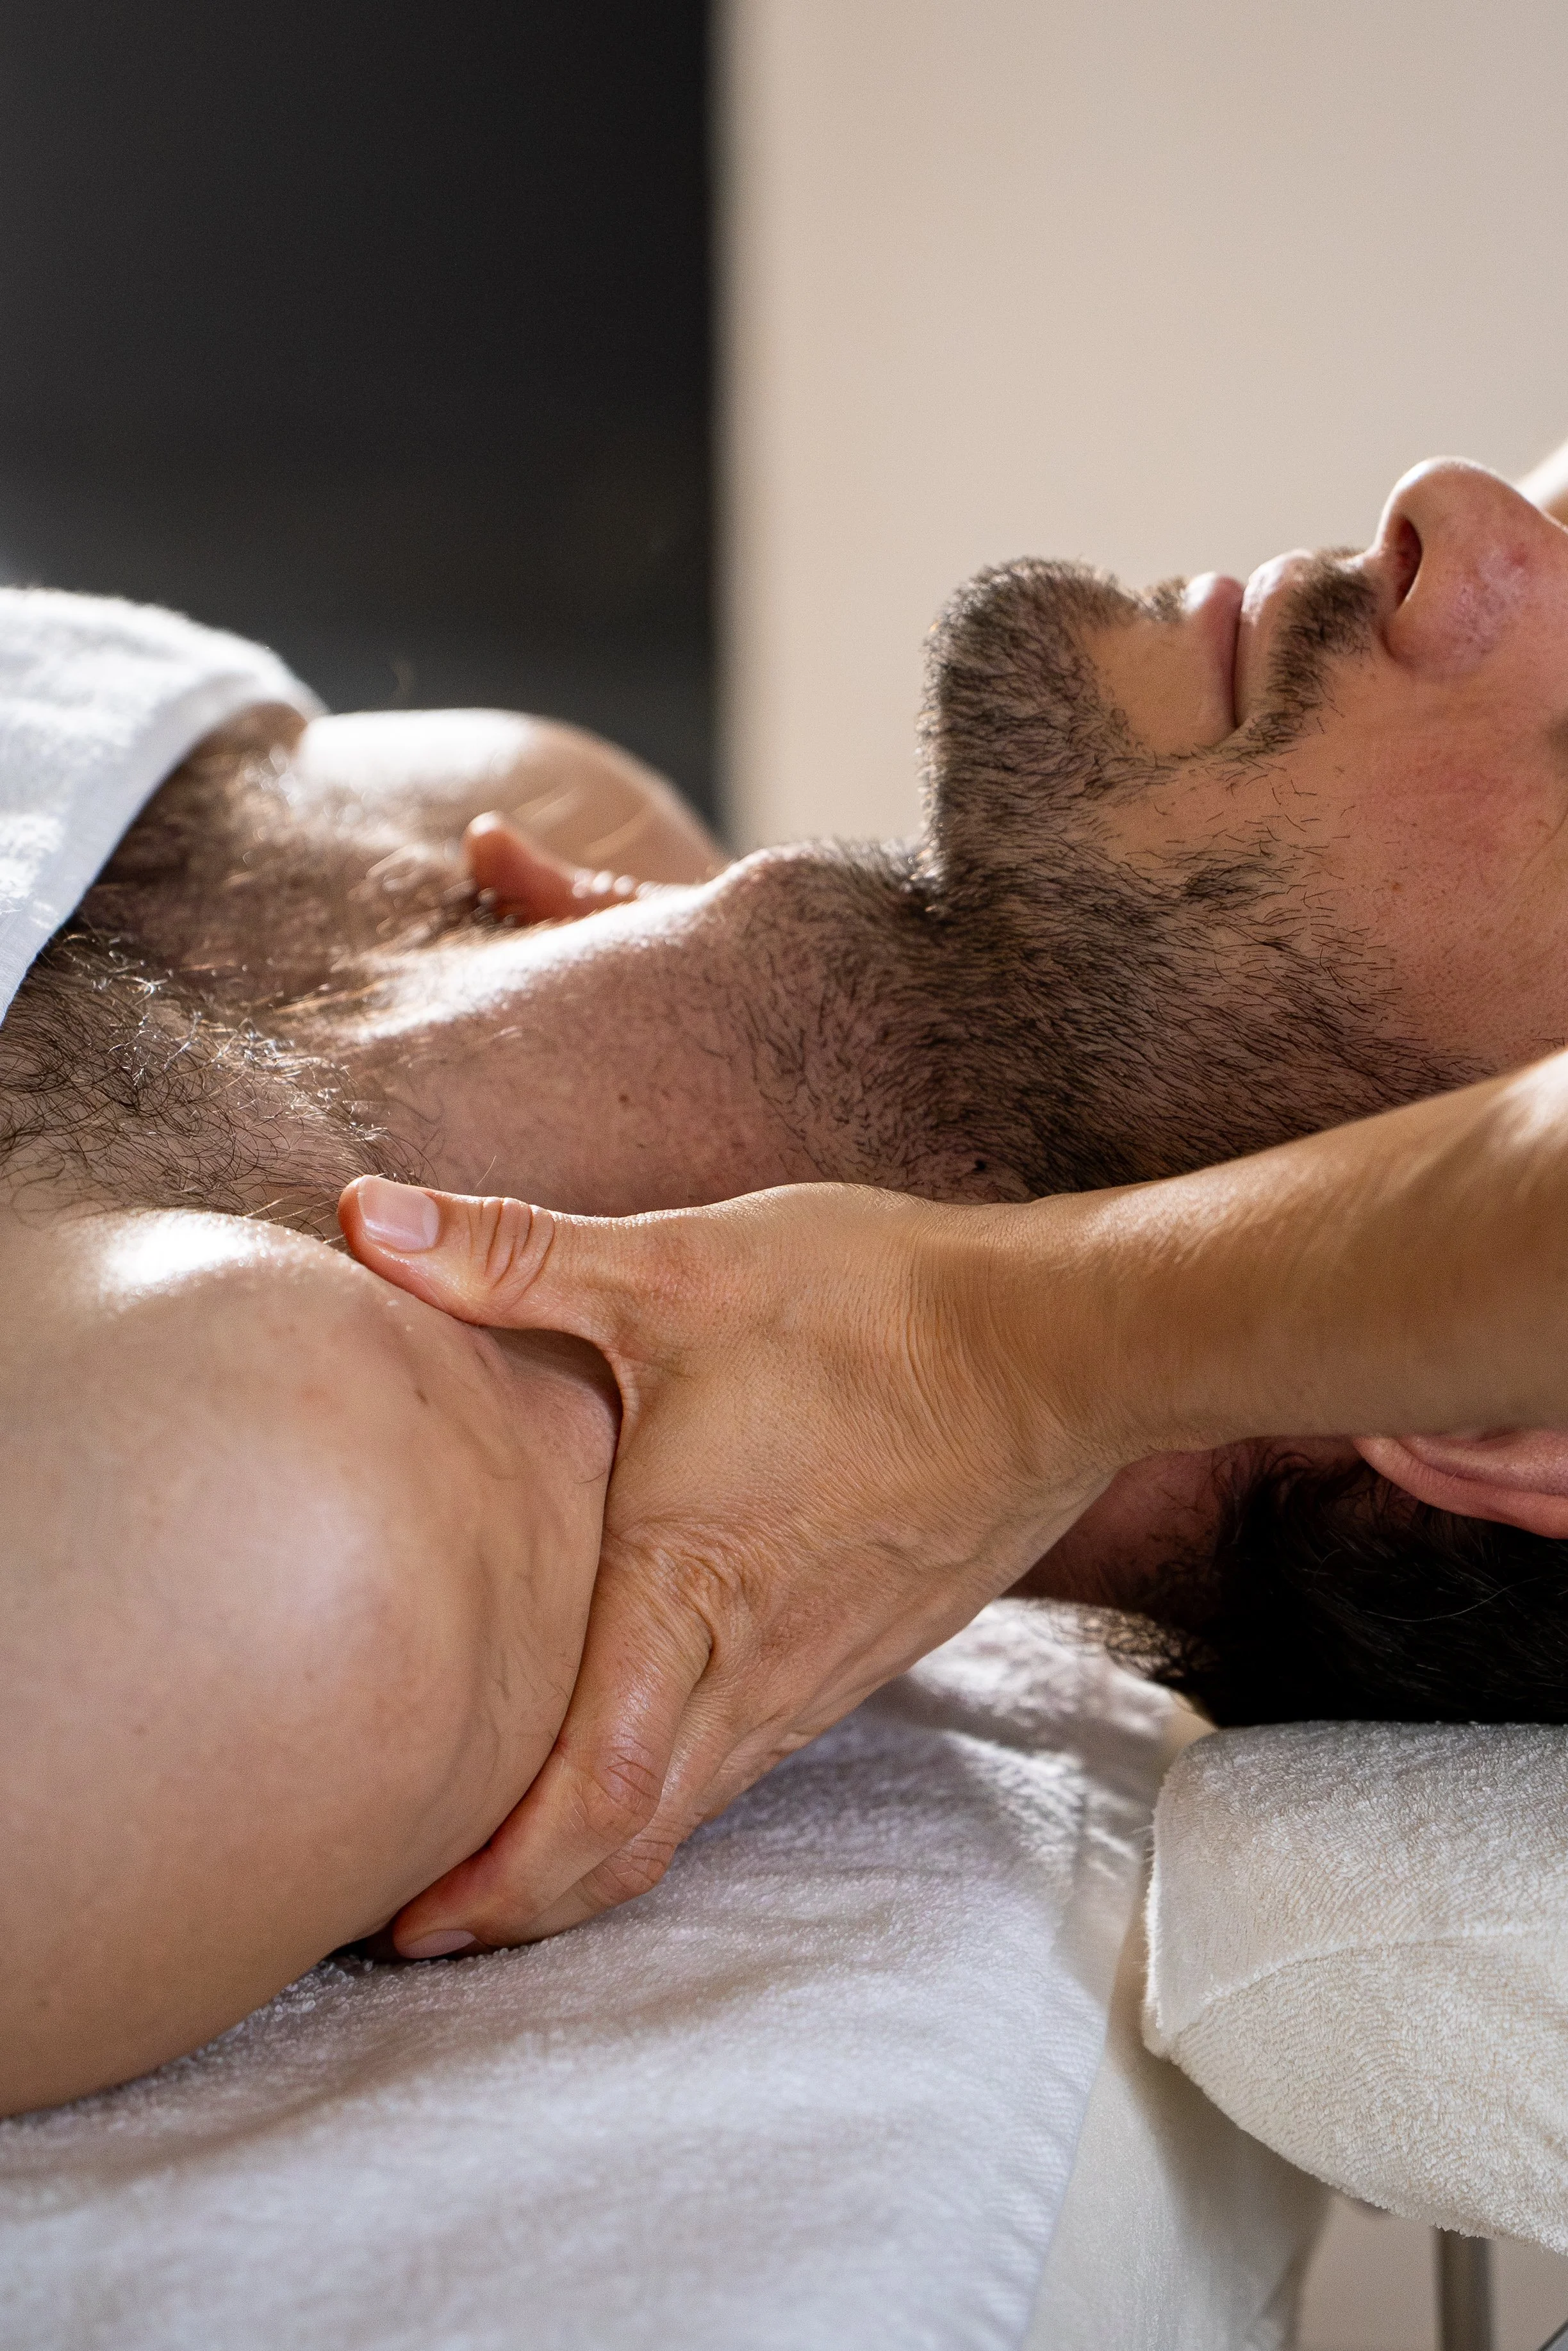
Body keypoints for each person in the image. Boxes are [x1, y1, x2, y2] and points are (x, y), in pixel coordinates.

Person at [4, 447, 1568, 2114]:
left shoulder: (276, 1533)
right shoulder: (488, 790)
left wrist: (1000, 1345)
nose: (1454, 510)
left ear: (1506, 1416)